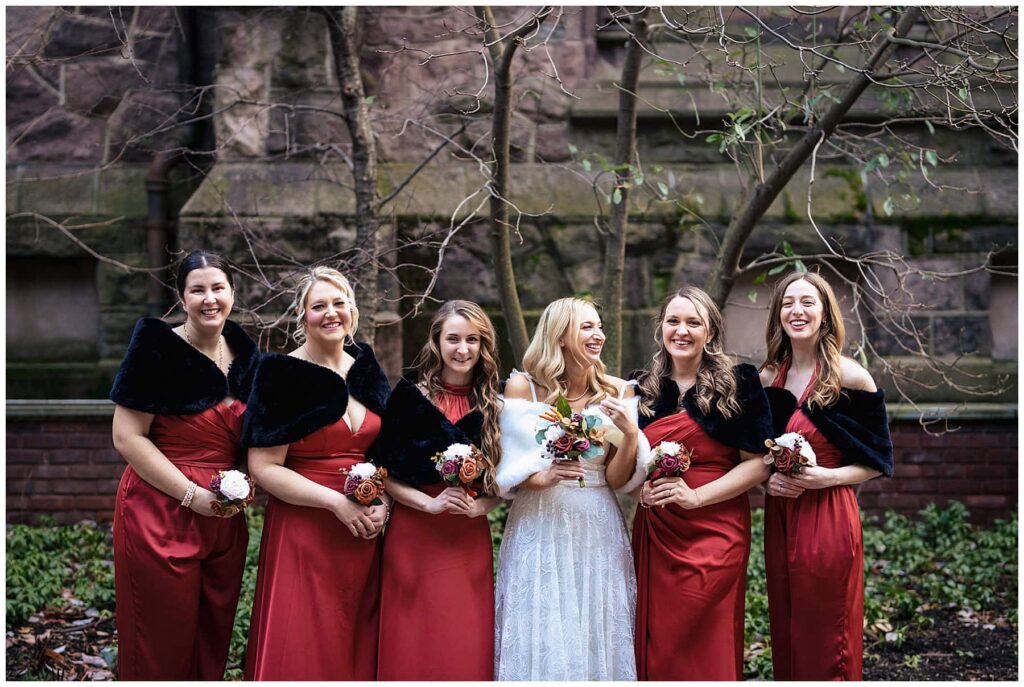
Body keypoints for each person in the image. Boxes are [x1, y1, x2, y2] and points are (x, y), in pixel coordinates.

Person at [110, 250, 259, 680]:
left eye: (218, 288)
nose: (209, 299)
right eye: (198, 290)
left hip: (224, 520)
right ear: (182, 297)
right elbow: (127, 437)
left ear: (233, 293)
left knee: (212, 637)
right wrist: (191, 496)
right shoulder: (156, 349)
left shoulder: (248, 354)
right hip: (159, 512)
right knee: (160, 643)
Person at [241, 267, 392, 681]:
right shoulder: (279, 374)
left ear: (352, 312)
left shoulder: (366, 369)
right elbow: (263, 467)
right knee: (304, 641)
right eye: (319, 305)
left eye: (339, 303)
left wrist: (384, 502)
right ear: (302, 315)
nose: (331, 313)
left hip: (361, 531)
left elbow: (386, 452)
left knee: (354, 642)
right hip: (305, 529)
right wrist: (334, 503)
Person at [493, 297, 645, 681]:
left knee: (596, 622)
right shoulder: (522, 388)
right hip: (538, 521)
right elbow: (507, 465)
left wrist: (629, 434)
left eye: (600, 327)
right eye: (587, 327)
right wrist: (539, 478)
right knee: (541, 624)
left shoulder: (618, 392)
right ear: (560, 335)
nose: (599, 336)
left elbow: (616, 478)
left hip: (596, 521)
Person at [629, 286, 773, 680]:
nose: (682, 330)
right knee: (660, 637)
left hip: (716, 528)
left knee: (704, 633)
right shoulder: (640, 390)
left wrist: (696, 496)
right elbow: (627, 464)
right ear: (661, 328)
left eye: (694, 322)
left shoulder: (738, 383)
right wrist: (634, 484)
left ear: (710, 332)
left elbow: (758, 464)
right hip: (657, 531)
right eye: (673, 321)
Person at [760, 271, 894, 680]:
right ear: (778, 314)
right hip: (780, 515)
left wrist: (828, 478)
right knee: (788, 623)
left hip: (829, 515)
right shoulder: (767, 379)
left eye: (807, 302)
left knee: (826, 630)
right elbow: (755, 457)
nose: (796, 311)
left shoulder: (850, 377)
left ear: (825, 314)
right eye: (787, 303)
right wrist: (766, 481)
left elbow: (879, 461)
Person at [371, 300, 504, 680]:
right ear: (437, 341)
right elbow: (384, 470)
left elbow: (512, 480)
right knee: (411, 638)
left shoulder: (496, 404)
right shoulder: (410, 396)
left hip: (467, 536)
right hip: (414, 534)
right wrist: (428, 504)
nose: (463, 349)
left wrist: (484, 508)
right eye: (453, 339)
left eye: (473, 340)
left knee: (463, 638)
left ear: (483, 345)